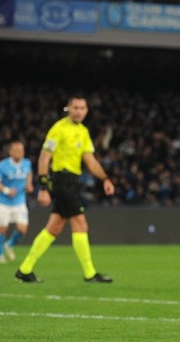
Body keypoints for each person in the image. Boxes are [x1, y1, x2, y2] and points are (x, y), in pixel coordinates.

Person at [15, 96, 115, 283]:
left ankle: (25, 269)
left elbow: (91, 161)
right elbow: (44, 157)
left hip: (72, 182)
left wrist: (105, 179)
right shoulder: (58, 129)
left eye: (82, 108)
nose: (79, 111)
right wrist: (43, 186)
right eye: (75, 107)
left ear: (87, 110)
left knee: (54, 227)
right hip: (61, 180)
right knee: (80, 224)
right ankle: (89, 273)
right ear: (68, 108)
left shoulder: (83, 131)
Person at [0, 140, 34, 264]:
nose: (20, 153)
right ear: (10, 152)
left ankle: (9, 244)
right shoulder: (2, 165)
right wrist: (6, 190)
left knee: (22, 230)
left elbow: (29, 173)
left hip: (19, 201)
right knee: (2, 229)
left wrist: (29, 184)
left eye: (21, 150)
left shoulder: (27, 163)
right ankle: (0, 255)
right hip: (4, 202)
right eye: (17, 150)